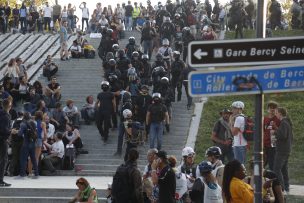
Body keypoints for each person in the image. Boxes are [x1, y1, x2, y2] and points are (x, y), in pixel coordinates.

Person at [272, 107, 293, 193]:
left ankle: (282, 188)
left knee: (276, 169)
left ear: (280, 113)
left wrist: (275, 132)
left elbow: (282, 135)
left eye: (276, 112)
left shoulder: (284, 122)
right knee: (284, 168)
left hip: (282, 150)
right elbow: (286, 135)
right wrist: (277, 128)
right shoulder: (286, 122)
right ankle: (286, 187)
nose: (275, 114)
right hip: (286, 149)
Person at [17, 112, 39, 179]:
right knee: (33, 159)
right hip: (32, 143)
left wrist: (16, 131)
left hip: (25, 143)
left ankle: (22, 174)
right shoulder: (34, 123)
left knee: (23, 159)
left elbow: (20, 134)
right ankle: (36, 174)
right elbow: (36, 132)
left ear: (24, 116)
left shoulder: (23, 124)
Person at [263, 101, 280, 170]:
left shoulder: (278, 119)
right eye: (271, 108)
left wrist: (275, 126)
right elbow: (262, 131)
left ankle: (274, 179)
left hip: (273, 145)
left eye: (274, 108)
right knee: (262, 163)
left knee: (272, 164)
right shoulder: (264, 119)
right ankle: (261, 179)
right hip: (265, 144)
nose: (272, 110)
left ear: (276, 110)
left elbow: (281, 132)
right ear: (268, 109)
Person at [0, 99, 13, 186]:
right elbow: (4, 130)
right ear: (9, 106)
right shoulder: (5, 116)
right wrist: (12, 131)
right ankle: (0, 180)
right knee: (3, 160)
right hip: (2, 140)